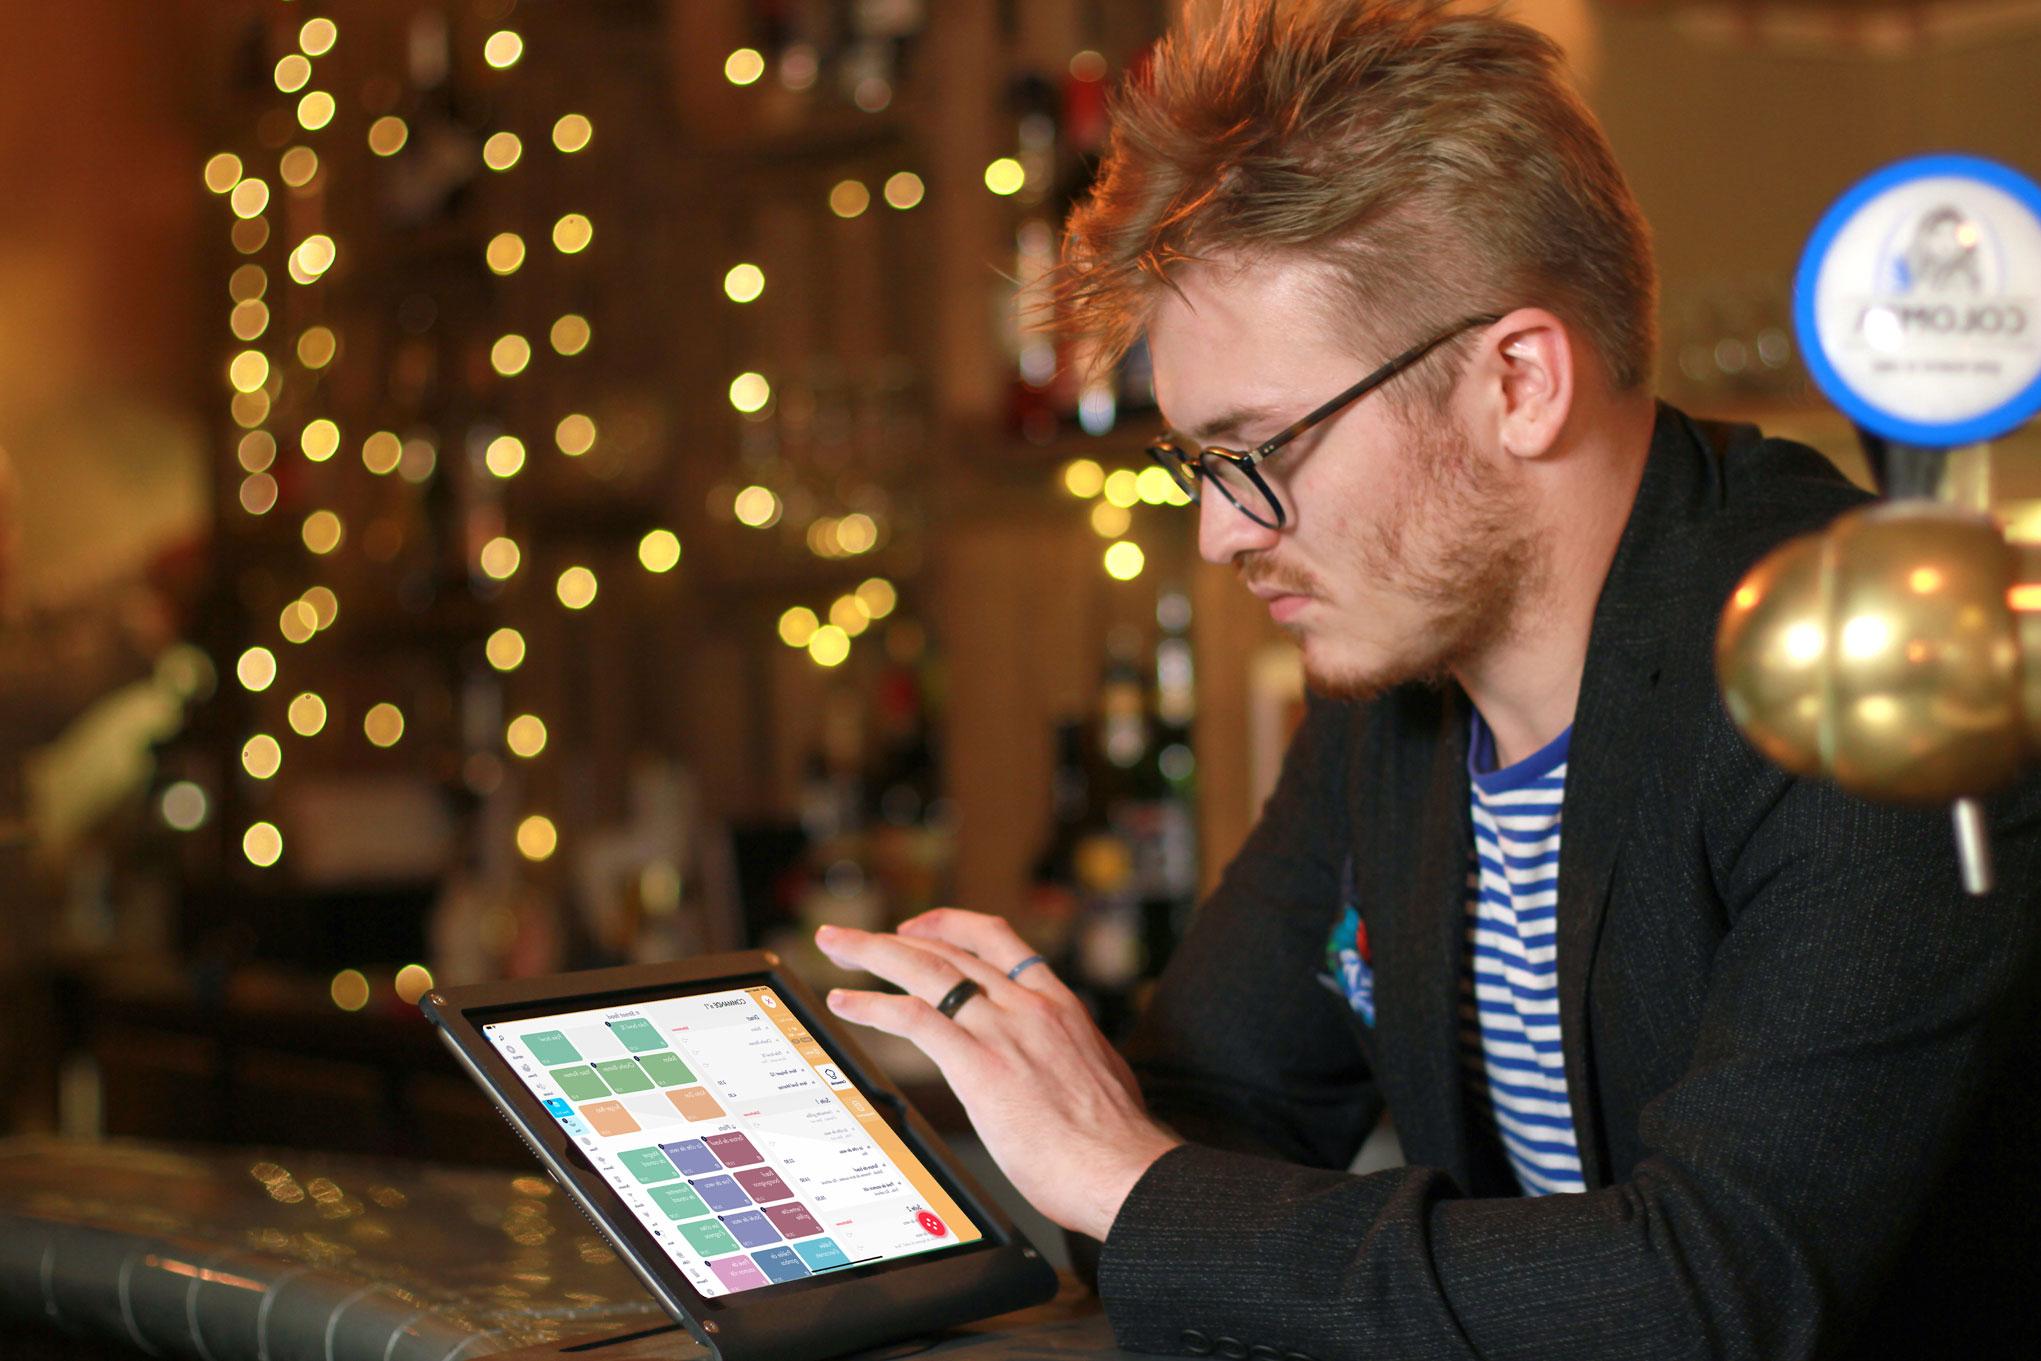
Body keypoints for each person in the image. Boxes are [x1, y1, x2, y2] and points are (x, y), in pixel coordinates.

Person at [813, 3, 2041, 1356]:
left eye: (1257, 448)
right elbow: (1201, 1118)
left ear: (1515, 380)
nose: (1221, 530)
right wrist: (1039, 1103)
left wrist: (1124, 1174)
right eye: (1195, 464)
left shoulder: (1865, 673)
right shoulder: (1393, 694)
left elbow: (1714, 1293)